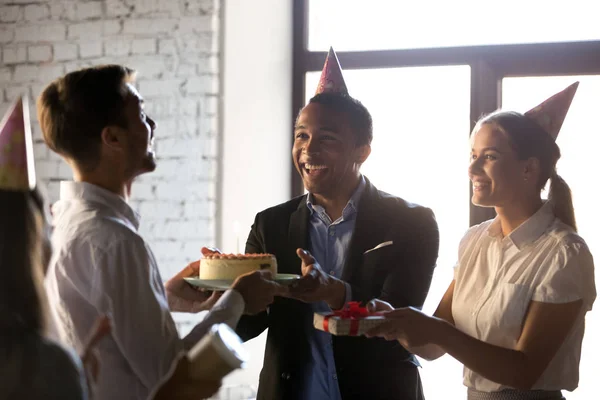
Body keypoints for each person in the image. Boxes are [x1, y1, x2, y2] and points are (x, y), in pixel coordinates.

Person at [37, 65, 287, 400]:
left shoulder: (66, 222)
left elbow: (95, 318)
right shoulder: (115, 242)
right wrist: (237, 300)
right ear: (112, 137)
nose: (151, 125)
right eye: (140, 114)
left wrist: (163, 297)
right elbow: (173, 377)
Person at [367, 82, 596, 400]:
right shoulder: (474, 241)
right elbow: (433, 347)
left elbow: (524, 372)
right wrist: (398, 323)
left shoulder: (564, 253)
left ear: (528, 168)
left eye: (488, 157)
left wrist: (439, 331)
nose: (472, 168)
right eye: (472, 155)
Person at [234, 48, 440, 400]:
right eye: (301, 136)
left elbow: (399, 314)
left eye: (326, 138)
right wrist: (225, 297)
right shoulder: (271, 224)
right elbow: (246, 325)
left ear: (362, 150)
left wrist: (336, 293)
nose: (308, 150)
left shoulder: (411, 222)